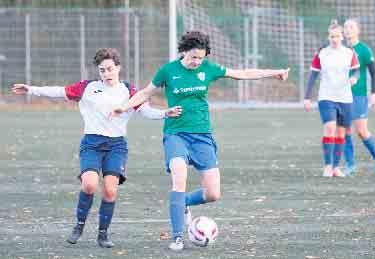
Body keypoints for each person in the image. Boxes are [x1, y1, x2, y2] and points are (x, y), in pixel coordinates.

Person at [111, 31, 289, 251]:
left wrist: (275, 73)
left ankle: (182, 203)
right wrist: (124, 106)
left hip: (202, 136)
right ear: (184, 51)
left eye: (200, 58)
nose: (197, 62)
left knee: (213, 193)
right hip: (175, 134)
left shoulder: (209, 69)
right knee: (179, 178)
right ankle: (177, 237)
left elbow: (243, 73)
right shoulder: (168, 70)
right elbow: (145, 93)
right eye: (193, 57)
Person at [11, 48, 182, 248]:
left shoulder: (130, 91)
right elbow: (59, 91)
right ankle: (79, 225)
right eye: (102, 70)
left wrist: (165, 113)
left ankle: (103, 234)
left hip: (116, 146)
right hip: (92, 143)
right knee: (90, 184)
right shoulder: (88, 87)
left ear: (118, 67)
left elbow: (146, 111)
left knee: (110, 191)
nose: (107, 73)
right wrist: (31, 89)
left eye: (110, 69)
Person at [304, 20, 360, 178]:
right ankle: (328, 166)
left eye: (337, 36)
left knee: (341, 134)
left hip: (345, 98)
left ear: (342, 37)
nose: (334, 39)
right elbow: (313, 75)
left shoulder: (349, 53)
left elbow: (356, 71)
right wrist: (307, 97)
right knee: (329, 128)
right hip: (326, 97)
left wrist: (354, 79)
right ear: (328, 37)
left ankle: (336, 167)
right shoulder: (322, 53)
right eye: (331, 36)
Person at [343, 18, 375, 176]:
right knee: (345, 130)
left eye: (351, 27)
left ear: (357, 30)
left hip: (359, 95)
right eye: (346, 27)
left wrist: (374, 93)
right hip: (341, 95)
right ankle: (350, 165)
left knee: (361, 131)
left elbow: (374, 72)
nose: (348, 30)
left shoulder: (364, 49)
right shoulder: (340, 49)